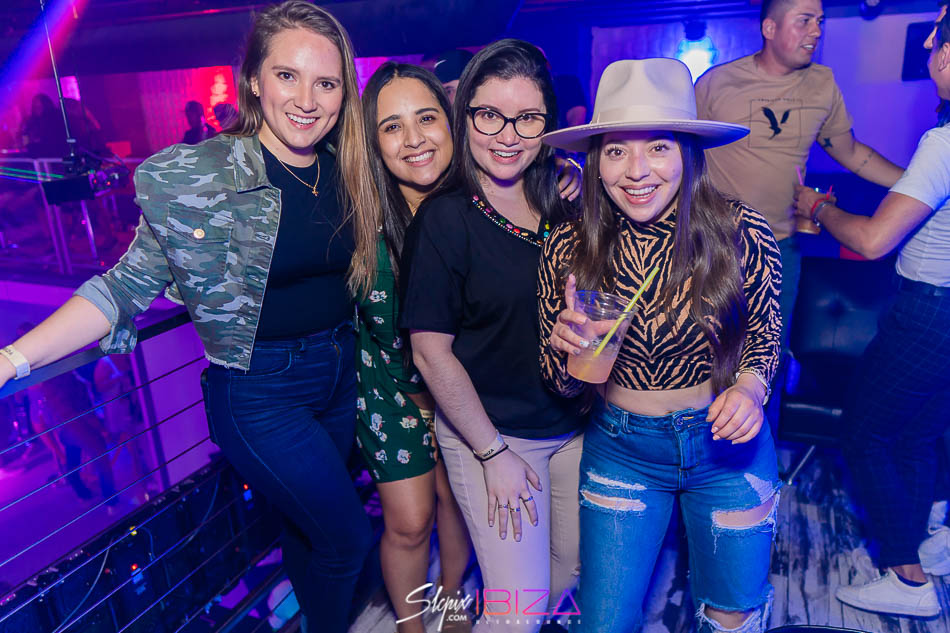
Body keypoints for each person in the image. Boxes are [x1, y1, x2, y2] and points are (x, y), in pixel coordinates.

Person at [0, 3, 380, 631]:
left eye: (326, 83)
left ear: (345, 92)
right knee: (347, 538)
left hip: (339, 374)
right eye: (287, 76)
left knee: (308, 527)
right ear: (253, 79)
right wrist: (13, 359)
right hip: (261, 395)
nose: (307, 100)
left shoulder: (348, 168)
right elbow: (121, 289)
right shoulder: (201, 180)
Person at [541, 58, 782, 633]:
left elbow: (766, 334)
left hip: (726, 448)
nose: (636, 170)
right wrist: (565, 349)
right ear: (595, 162)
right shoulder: (566, 245)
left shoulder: (742, 231)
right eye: (616, 151)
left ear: (687, 154)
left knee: (731, 618)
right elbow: (561, 384)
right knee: (603, 624)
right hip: (621, 449)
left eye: (658, 147)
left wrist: (750, 389)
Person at [400, 39, 584, 633]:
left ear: (548, 125)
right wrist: (492, 454)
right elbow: (430, 353)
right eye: (489, 115)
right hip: (495, 436)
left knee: (565, 577)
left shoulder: (566, 202)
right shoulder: (446, 218)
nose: (507, 135)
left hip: (573, 429)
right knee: (518, 616)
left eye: (527, 118)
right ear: (465, 116)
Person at [791, 5, 950, 617]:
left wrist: (816, 206)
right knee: (916, 436)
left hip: (927, 315)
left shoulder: (943, 141)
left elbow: (874, 240)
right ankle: (921, 547)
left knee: (863, 435)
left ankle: (907, 579)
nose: (930, 42)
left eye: (940, 33)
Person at [694, 0, 903, 408]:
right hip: (713, 245)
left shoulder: (822, 84)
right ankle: (696, 445)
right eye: (805, 20)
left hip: (779, 250)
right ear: (769, 28)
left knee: (765, 365)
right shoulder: (717, 83)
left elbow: (851, 152)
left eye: (820, 21)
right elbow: (685, 155)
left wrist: (917, 184)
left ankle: (759, 448)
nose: (817, 31)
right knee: (704, 356)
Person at [357, 62, 472, 633]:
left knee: (459, 506)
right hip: (389, 387)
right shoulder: (359, 218)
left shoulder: (485, 204)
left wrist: (564, 174)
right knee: (409, 521)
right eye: (391, 126)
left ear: (451, 124)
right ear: (373, 143)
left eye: (426, 118)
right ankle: (410, 628)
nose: (413, 139)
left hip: (463, 388)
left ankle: (450, 602)